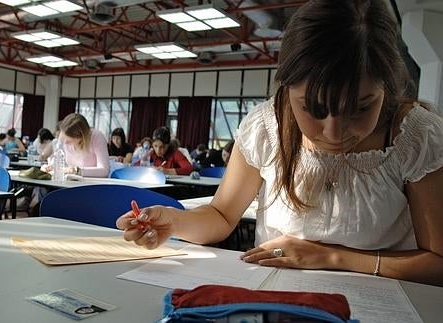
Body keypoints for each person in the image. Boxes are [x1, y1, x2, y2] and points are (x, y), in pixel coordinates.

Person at [117, 0, 443, 287]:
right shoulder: (266, 128)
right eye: (312, 108)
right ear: (287, 88)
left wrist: (331, 257)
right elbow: (221, 215)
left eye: (360, 107)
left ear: (386, 87)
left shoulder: (413, 137)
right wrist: (172, 221)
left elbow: (437, 262)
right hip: (275, 298)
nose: (333, 132)